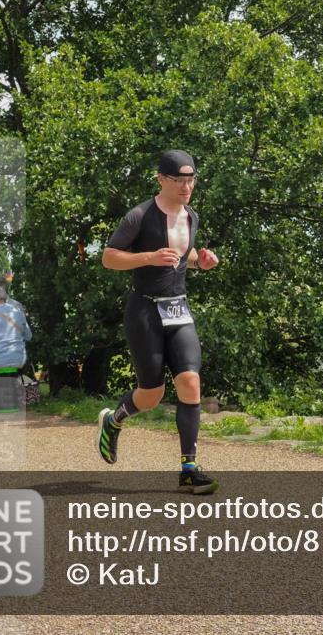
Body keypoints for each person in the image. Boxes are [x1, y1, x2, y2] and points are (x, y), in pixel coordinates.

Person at [99, 149, 220, 493]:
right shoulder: (139, 216)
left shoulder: (191, 216)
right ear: (161, 179)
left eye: (191, 179)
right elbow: (109, 258)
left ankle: (188, 469)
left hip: (179, 310)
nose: (187, 186)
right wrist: (148, 257)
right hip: (145, 311)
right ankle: (113, 420)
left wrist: (202, 262)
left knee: (190, 381)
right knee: (151, 394)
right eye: (180, 180)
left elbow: (185, 256)